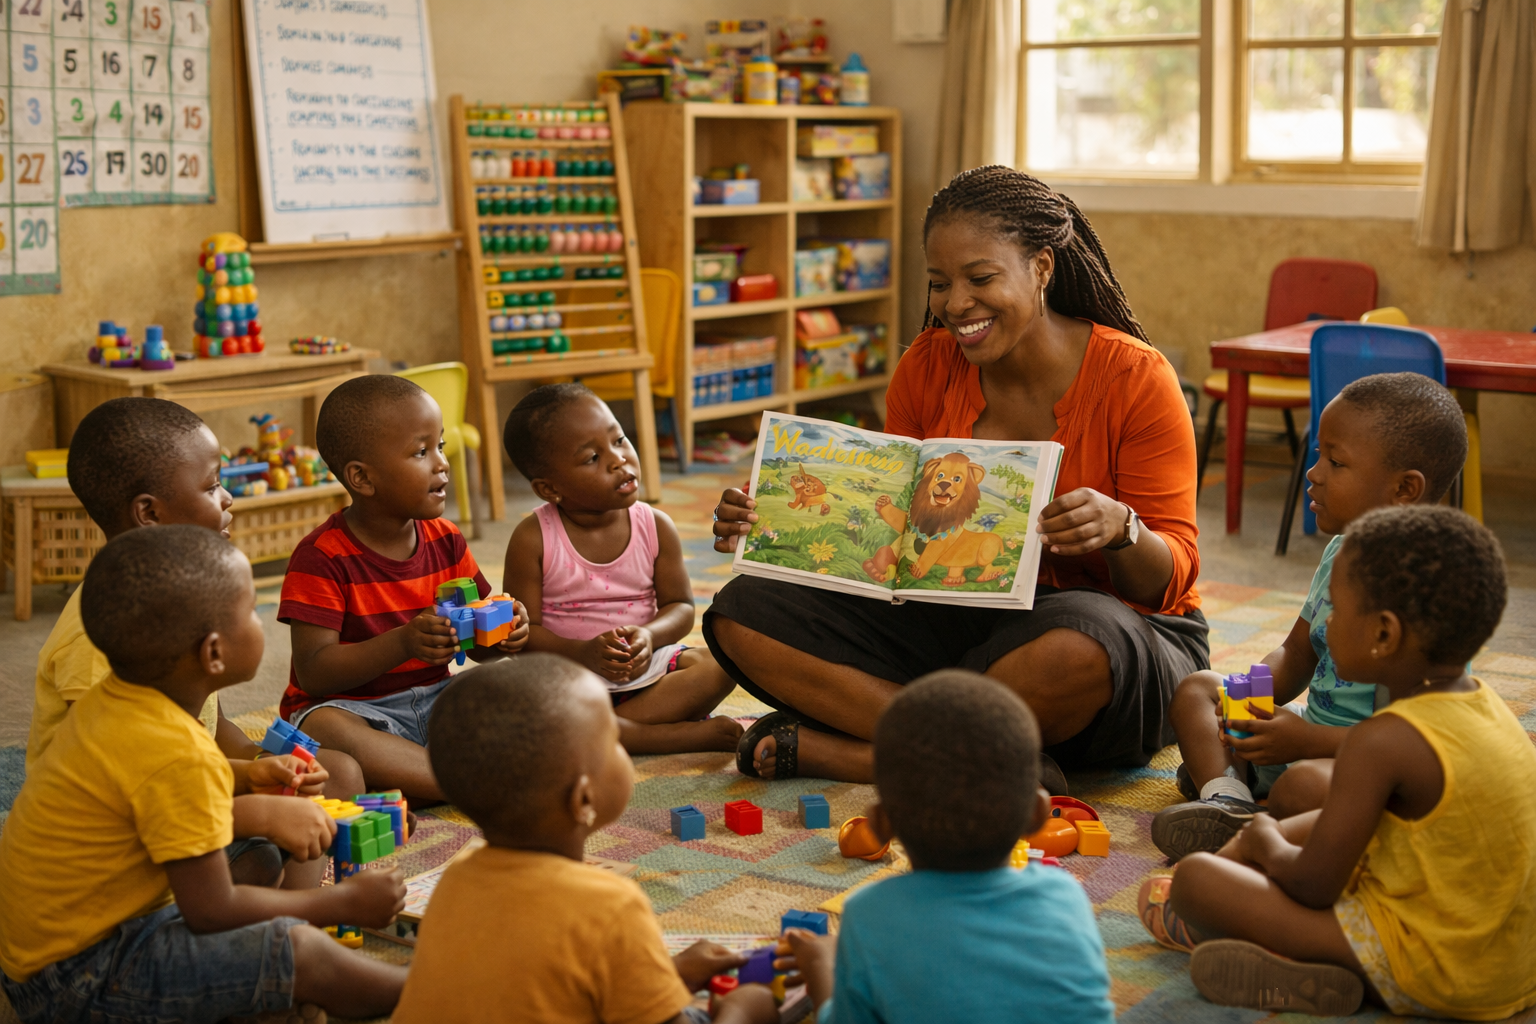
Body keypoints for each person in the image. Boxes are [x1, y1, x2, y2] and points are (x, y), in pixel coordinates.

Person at [709, 165, 1205, 783]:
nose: (955, 304)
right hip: (956, 616)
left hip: (1114, 629)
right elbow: (884, 541)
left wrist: (1122, 529)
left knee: (1078, 643)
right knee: (742, 611)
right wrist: (773, 523)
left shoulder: (1136, 378)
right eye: (940, 283)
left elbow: (1168, 581)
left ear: (1043, 268)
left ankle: (874, 752)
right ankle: (981, 751)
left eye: (981, 278)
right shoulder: (925, 365)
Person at [0, 526, 409, 1024]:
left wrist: (247, 775)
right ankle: (432, 990)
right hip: (81, 976)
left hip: (62, 946)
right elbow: (211, 910)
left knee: (258, 861)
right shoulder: (174, 751)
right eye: (252, 614)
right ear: (214, 653)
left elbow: (159, 787)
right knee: (301, 951)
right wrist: (342, 901)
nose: (263, 625)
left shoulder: (120, 703)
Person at [1141, 505, 1536, 1019]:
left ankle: (1328, 972)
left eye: (1338, 611)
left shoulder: (1382, 741)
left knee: (1197, 883)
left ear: (1384, 634)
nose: (1327, 622)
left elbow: (1311, 884)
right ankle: (1304, 965)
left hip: (1437, 973)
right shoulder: (1486, 711)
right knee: (1297, 826)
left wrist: (1262, 841)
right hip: (1512, 966)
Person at [28, 396, 365, 889]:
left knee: (332, 775)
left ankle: (285, 908)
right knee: (269, 852)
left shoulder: (186, 597)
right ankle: (295, 930)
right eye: (211, 486)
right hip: (124, 825)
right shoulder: (96, 638)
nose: (228, 498)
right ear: (150, 513)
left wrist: (262, 765)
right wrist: (257, 810)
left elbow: (210, 723)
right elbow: (122, 783)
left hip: (183, 780)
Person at [1150, 373, 1468, 860]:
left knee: (1299, 789)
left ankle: (1237, 795)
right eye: (1319, 455)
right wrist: (1250, 699)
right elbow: (1299, 650)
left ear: (1404, 489)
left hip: (1369, 767)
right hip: (1303, 736)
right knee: (1197, 691)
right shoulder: (1340, 551)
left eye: (1336, 462)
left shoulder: (1426, 592)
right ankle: (1229, 800)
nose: (1313, 473)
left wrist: (1304, 740)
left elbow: (1419, 743)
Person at [391, 654, 779, 1024]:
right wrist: (742, 1010)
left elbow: (539, 977)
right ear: (584, 799)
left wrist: (667, 973)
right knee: (755, 1003)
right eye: (614, 740)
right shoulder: (610, 906)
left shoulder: (455, 881)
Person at [775, 670, 1114, 1023]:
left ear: (880, 824)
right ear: (1038, 814)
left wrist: (821, 968)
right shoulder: (1067, 898)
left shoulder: (871, 916)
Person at [280, 375, 529, 800]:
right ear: (361, 478)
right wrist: (402, 644)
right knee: (323, 729)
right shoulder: (321, 556)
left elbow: (475, 645)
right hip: (354, 710)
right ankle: (459, 784)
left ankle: (418, 774)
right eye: (421, 451)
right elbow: (315, 672)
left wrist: (503, 635)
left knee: (518, 690)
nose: (442, 464)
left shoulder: (446, 538)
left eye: (441, 446)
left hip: (435, 701)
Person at [502, 384, 742, 754]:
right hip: (571, 677)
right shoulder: (532, 539)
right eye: (591, 458)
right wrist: (585, 653)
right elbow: (522, 634)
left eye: (619, 440)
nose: (618, 460)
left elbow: (679, 607)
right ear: (549, 488)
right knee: (517, 703)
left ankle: (609, 732)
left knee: (722, 663)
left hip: (646, 670)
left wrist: (649, 636)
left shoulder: (655, 525)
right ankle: (658, 736)